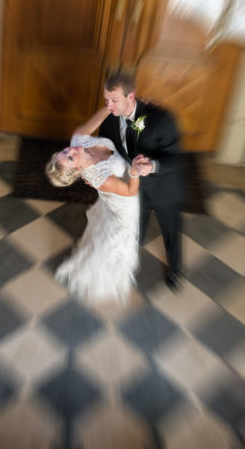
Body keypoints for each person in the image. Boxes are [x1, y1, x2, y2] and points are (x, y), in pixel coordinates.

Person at [46, 107, 148, 303]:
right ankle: (98, 277)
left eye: (65, 151)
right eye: (70, 158)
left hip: (118, 187)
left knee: (105, 232)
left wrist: (111, 107)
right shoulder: (99, 178)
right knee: (118, 239)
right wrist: (135, 172)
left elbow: (96, 119)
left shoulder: (77, 139)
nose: (71, 150)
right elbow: (129, 191)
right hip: (123, 201)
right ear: (76, 171)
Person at [98, 72, 185, 290]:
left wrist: (152, 166)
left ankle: (176, 270)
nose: (109, 106)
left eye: (114, 100)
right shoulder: (109, 121)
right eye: (106, 100)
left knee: (171, 233)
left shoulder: (160, 118)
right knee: (133, 230)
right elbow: (105, 149)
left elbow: (175, 159)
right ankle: (126, 266)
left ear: (131, 96)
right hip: (134, 189)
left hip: (165, 188)